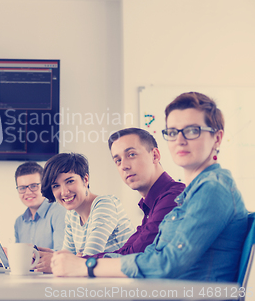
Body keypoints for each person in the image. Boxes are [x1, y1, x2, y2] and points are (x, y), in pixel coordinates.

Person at [52, 92, 248, 282]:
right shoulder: (190, 195)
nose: (179, 140)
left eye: (192, 130)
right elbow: (149, 253)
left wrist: (86, 266)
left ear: (217, 138)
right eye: (172, 132)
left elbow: (166, 263)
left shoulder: (213, 189)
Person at [87, 128, 184, 258]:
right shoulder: (150, 205)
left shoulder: (173, 196)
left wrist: (77, 263)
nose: (124, 166)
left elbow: (133, 256)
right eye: (118, 160)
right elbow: (123, 252)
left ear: (155, 156)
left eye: (131, 154)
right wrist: (76, 260)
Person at [37, 153, 134, 272]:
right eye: (56, 185)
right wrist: (56, 256)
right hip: (99, 281)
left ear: (85, 179)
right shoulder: (71, 215)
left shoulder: (105, 204)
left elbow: (86, 260)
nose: (64, 192)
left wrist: (56, 261)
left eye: (70, 181)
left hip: (127, 281)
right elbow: (70, 259)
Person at [13, 161, 65, 250]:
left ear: (44, 186)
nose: (28, 192)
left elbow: (61, 253)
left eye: (33, 186)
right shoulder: (19, 222)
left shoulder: (60, 213)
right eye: (22, 188)